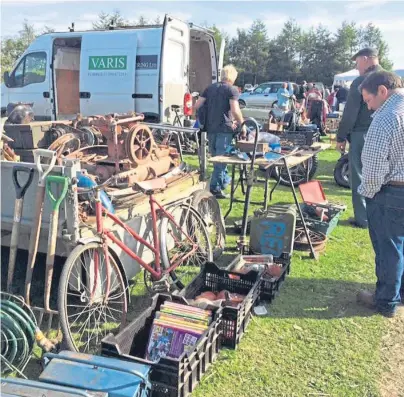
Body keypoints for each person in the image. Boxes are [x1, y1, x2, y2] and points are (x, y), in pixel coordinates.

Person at [355, 71, 404, 317]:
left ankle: (386, 300)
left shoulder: (385, 118)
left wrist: (369, 193)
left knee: (389, 248)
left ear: (382, 91)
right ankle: (399, 291)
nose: (368, 106)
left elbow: (373, 169)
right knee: (400, 246)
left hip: (393, 192)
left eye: (368, 100)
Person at [336, 47, 383, 228]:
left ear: (365, 59)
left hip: (362, 134)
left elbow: (350, 113)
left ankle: (363, 218)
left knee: (359, 177)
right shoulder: (392, 79)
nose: (357, 67)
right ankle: (378, 216)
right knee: (382, 176)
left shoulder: (362, 80)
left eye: (357, 63)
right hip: (386, 133)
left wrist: (341, 137)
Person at [194, 64, 246, 199]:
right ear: (233, 77)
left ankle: (221, 183)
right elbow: (235, 110)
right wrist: (243, 124)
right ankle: (215, 189)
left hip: (210, 128)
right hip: (224, 129)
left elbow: (197, 105)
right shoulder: (232, 90)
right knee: (221, 160)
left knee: (217, 159)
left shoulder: (209, 88)